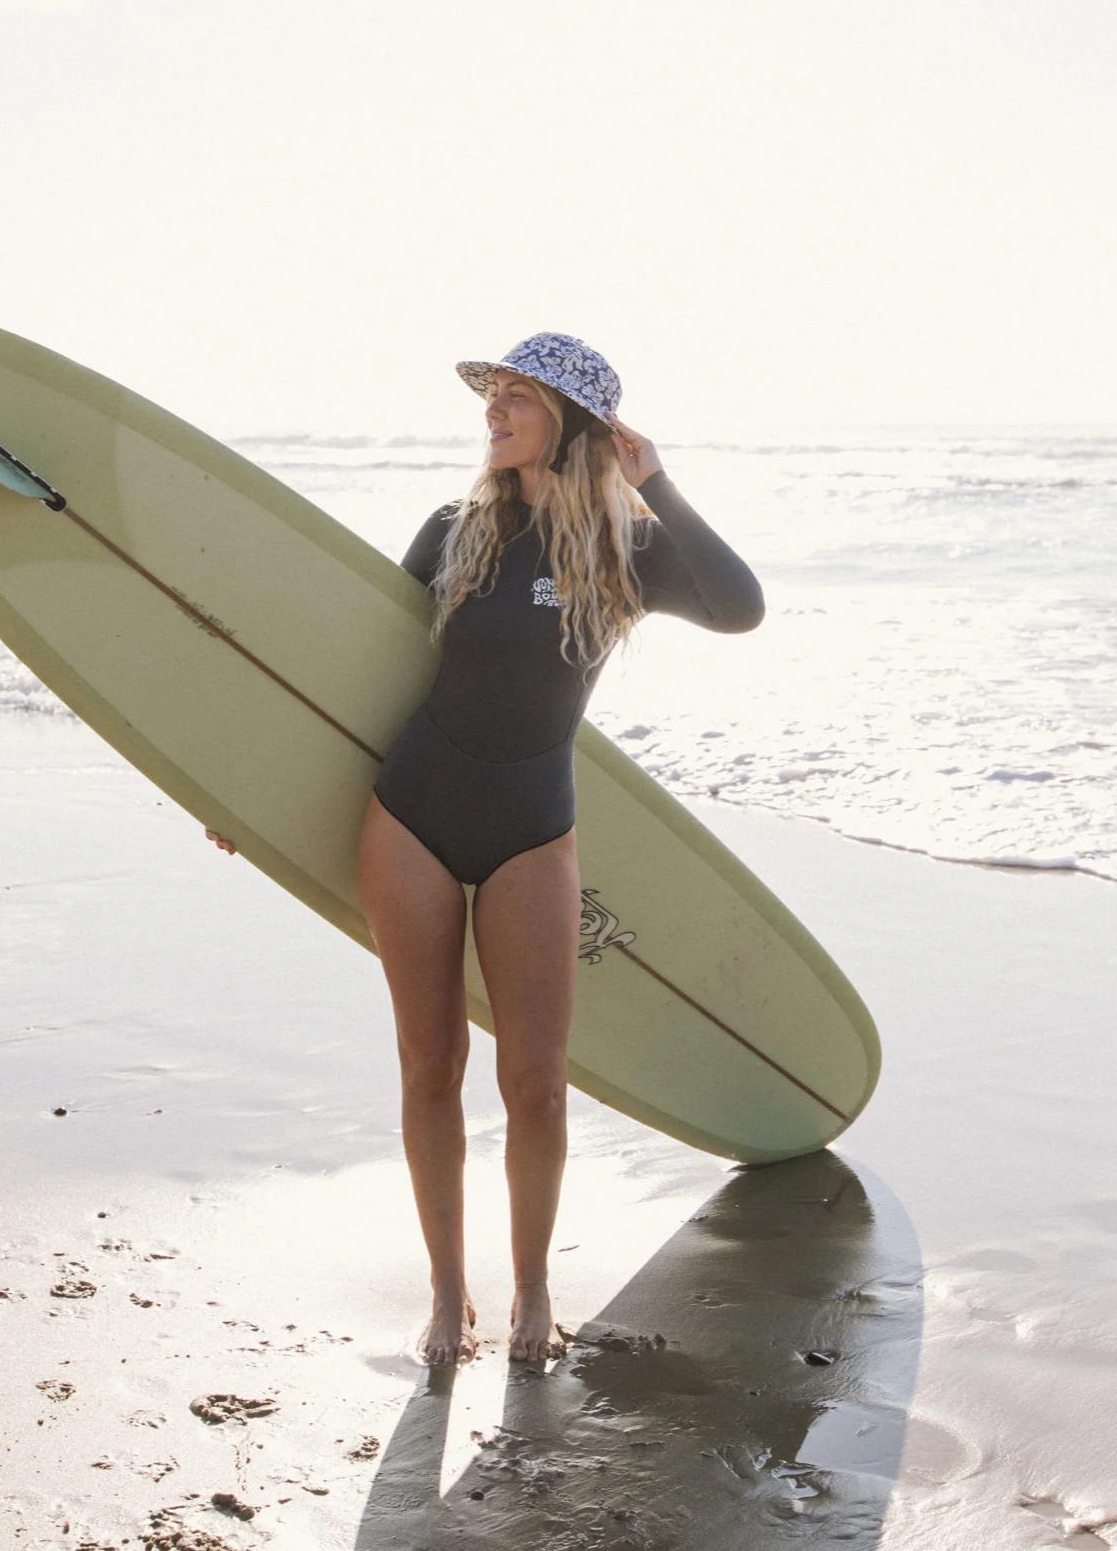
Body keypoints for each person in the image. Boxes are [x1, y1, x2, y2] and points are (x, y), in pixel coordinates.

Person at [204, 332, 763, 1367]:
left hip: (531, 831)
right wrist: (247, 793)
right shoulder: (452, 530)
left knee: (535, 1080)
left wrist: (657, 481)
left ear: (574, 422)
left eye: (516, 397)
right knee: (429, 1066)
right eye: (491, 395)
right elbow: (346, 674)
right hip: (411, 813)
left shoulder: (624, 550)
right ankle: (445, 1289)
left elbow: (739, 606)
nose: (492, 411)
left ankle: (534, 1284)